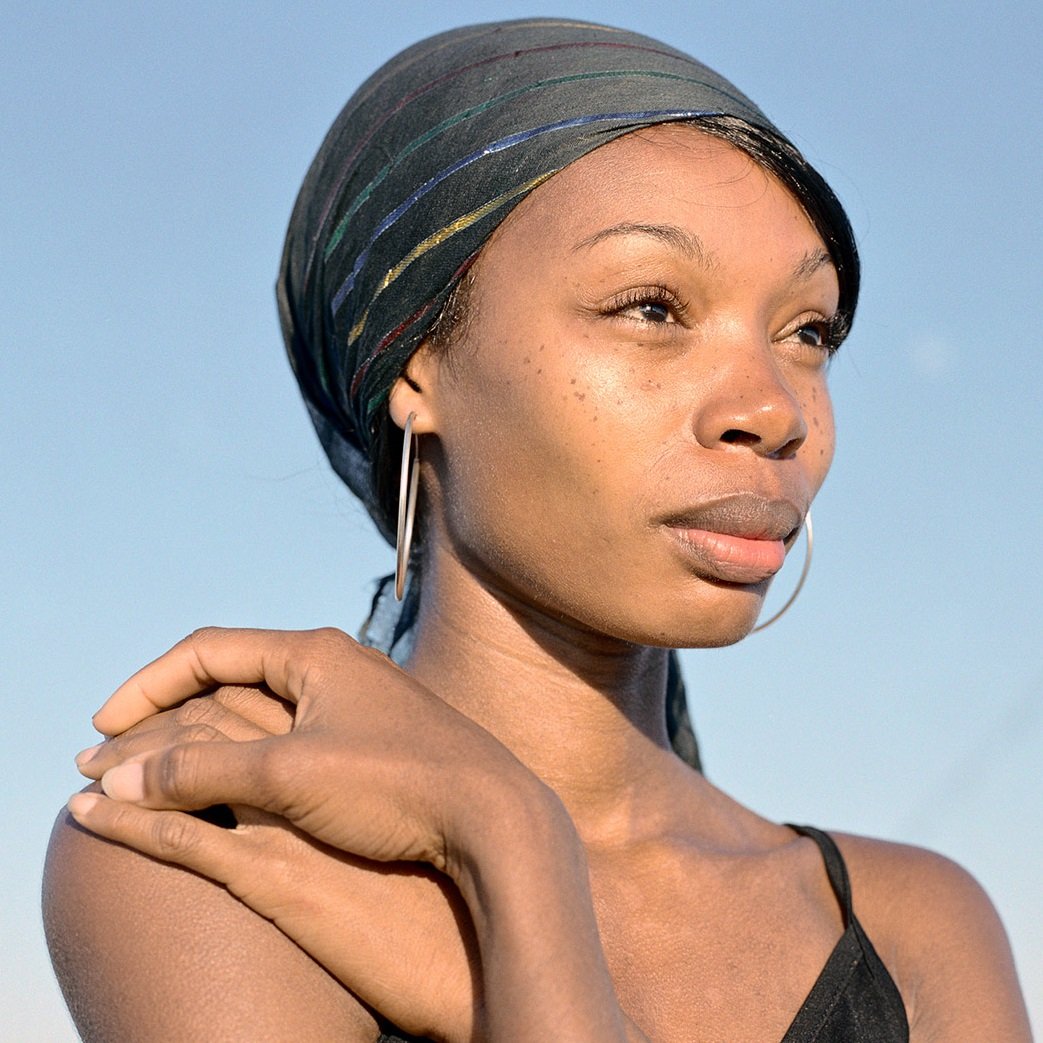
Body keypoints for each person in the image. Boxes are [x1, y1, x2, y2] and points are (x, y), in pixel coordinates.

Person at [43, 18, 1030, 1042]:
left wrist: (512, 860)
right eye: (650, 307)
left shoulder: (910, 923)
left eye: (807, 332)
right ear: (415, 364)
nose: (774, 409)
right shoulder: (206, 838)